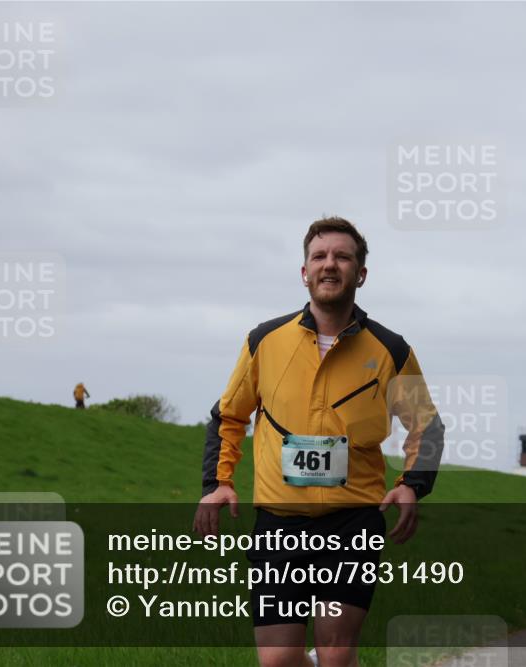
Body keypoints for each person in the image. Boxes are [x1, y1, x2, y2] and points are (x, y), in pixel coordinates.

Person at [193, 217, 444, 667]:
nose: (330, 265)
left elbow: (427, 426)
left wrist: (412, 483)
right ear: (304, 272)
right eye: (320, 256)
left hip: (353, 522)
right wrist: (219, 481)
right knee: (278, 660)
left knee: (335, 650)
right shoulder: (264, 340)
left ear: (360, 274)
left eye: (342, 257)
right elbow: (228, 415)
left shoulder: (390, 349)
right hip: (279, 522)